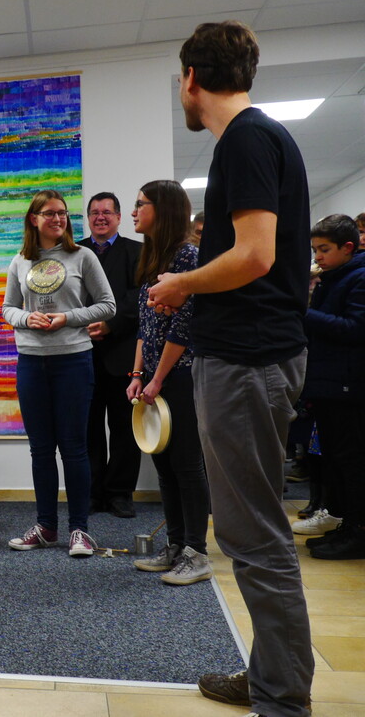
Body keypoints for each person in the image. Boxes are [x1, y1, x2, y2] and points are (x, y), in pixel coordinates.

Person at [149, 21, 313, 715]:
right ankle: (274, 675)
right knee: (253, 530)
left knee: (254, 535)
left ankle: (282, 698)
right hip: (255, 357)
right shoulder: (259, 138)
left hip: (247, 361)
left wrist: (180, 285)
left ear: (192, 78)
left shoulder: (245, 139)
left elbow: (255, 255)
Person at [2, 189, 115, 558]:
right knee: (40, 450)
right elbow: (8, 308)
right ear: (33, 219)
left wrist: (68, 317)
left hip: (73, 360)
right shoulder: (20, 260)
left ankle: (79, 530)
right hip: (31, 362)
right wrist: (26, 318)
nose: (58, 219)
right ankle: (46, 527)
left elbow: (108, 305)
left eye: (62, 213)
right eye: (49, 213)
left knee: (74, 448)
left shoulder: (82, 256)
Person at [126, 181, 211, 585]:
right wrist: (138, 374)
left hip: (181, 375)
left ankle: (197, 552)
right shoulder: (154, 256)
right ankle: (175, 545)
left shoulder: (188, 256)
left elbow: (183, 326)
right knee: (164, 463)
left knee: (187, 464)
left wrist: (158, 378)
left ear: (163, 209)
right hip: (155, 378)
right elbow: (146, 326)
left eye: (140, 204)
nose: (134, 211)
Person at [299, 214, 365, 560]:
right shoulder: (333, 278)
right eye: (315, 250)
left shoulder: (359, 278)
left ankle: (358, 532)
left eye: (324, 249)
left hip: (348, 386)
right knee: (335, 460)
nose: (318, 257)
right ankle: (346, 525)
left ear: (348, 247)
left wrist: (302, 312)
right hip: (328, 384)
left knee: (351, 461)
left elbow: (354, 328)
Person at [77, 191, 142, 518]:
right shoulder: (73, 252)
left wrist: (110, 325)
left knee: (124, 429)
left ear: (118, 217)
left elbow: (139, 297)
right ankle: (91, 493)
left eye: (107, 212)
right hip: (80, 354)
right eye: (94, 213)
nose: (100, 217)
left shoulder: (137, 252)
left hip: (123, 355)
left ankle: (119, 494)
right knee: (87, 429)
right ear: (88, 218)